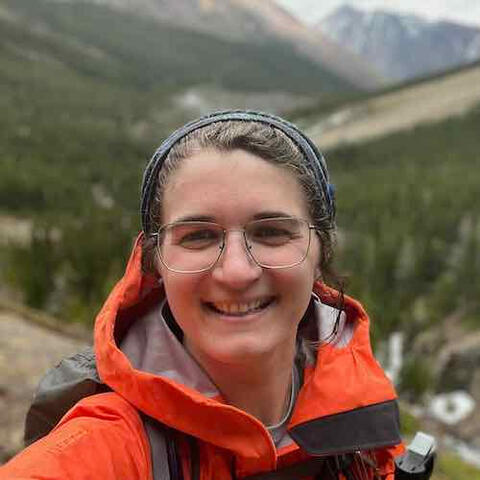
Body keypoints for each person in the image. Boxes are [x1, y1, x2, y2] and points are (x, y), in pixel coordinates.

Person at [0, 110, 404, 479]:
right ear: (155, 261)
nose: (236, 271)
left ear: (320, 252)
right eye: (198, 236)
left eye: (271, 232)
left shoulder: (358, 403)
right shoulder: (110, 444)